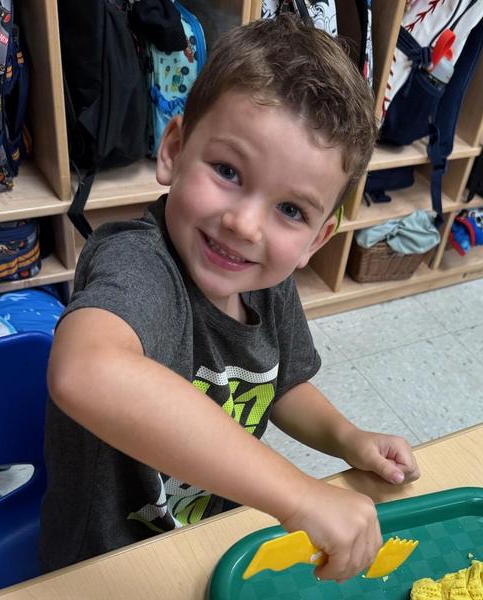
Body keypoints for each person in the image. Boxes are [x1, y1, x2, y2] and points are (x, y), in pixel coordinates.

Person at [41, 14, 420, 581]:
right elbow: (85, 372)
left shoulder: (265, 282)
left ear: (317, 239)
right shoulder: (141, 264)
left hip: (212, 543)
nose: (245, 225)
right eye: (227, 171)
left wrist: (347, 439)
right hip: (105, 565)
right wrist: (297, 494)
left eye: (290, 210)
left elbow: (281, 383)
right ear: (173, 148)